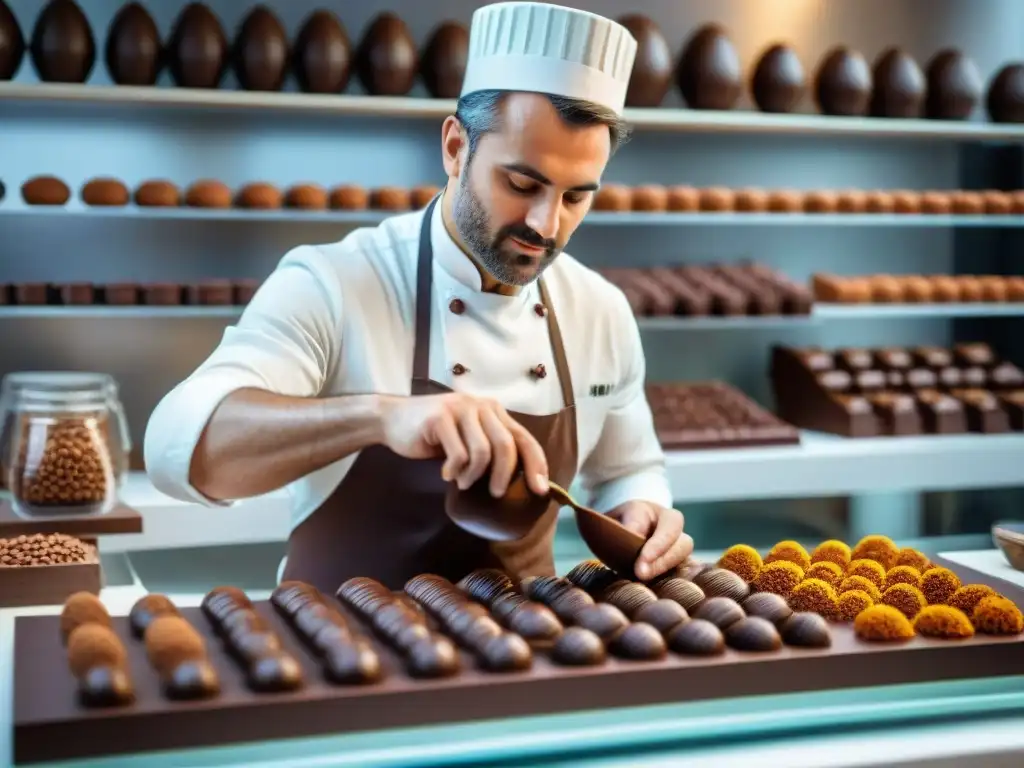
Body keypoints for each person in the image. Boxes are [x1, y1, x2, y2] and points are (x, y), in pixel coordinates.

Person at [144, 2, 693, 593]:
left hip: (529, 661)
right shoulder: (334, 282)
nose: (546, 223)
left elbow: (628, 470)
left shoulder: (599, 310)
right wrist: (381, 415)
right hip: (332, 657)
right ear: (455, 148)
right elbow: (179, 449)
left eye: (576, 197)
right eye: (522, 183)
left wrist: (644, 510)